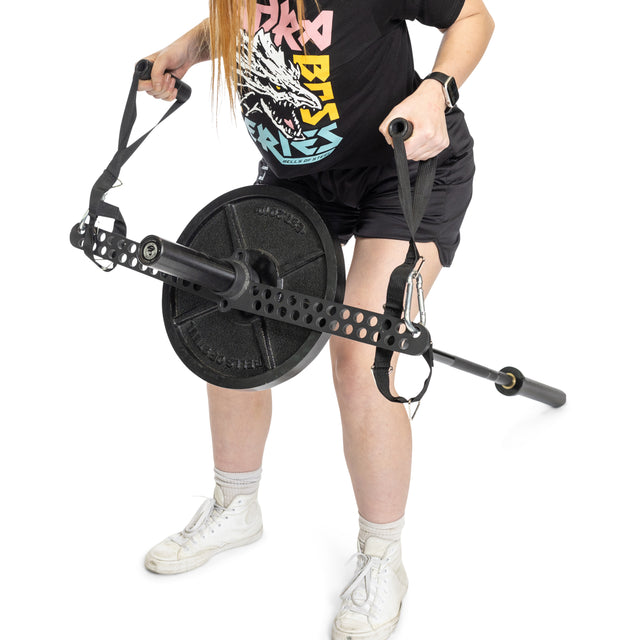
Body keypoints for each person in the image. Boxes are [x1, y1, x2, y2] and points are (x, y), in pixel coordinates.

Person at [139, 1, 494, 638]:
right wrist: (185, 52)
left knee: (359, 352)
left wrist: (437, 91)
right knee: (229, 303)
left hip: (407, 169)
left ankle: (383, 556)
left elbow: (473, 16)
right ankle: (235, 503)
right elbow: (247, 24)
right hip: (300, 178)